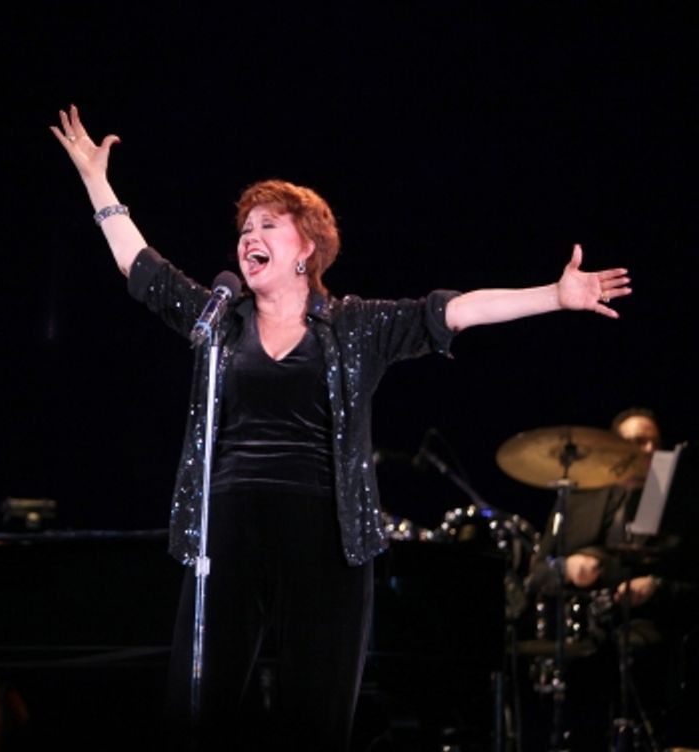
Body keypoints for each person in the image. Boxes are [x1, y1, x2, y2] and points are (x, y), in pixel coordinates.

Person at [49, 104, 632, 750]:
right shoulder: (219, 320)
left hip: (324, 537)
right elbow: (142, 269)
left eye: (268, 225)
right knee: (196, 713)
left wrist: (554, 295)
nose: (249, 236)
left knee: (315, 720)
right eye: (244, 228)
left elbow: (452, 312)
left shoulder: (355, 325)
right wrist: (96, 181)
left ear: (307, 247)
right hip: (228, 531)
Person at [523, 408, 694, 749]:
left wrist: (655, 586)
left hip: (647, 624)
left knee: (632, 653)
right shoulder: (578, 498)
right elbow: (537, 574)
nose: (648, 450)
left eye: (654, 443)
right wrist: (568, 567)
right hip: (580, 629)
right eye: (637, 442)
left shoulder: (676, 502)